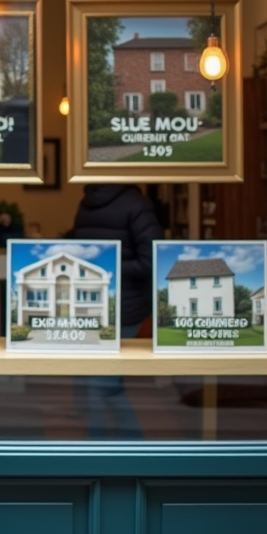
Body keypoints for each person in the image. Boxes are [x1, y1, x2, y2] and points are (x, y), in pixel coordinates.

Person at [67, 183, 164, 438]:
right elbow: (154, 259)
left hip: (97, 307)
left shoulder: (85, 203)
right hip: (124, 307)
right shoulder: (137, 204)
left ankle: (101, 449)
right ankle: (127, 449)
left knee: (100, 384)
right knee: (104, 385)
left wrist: (103, 265)